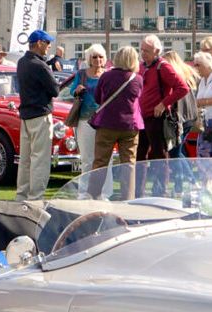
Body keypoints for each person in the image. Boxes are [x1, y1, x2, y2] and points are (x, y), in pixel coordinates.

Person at [89, 45, 143, 196]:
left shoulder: (106, 76)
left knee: (100, 162)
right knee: (129, 164)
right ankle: (128, 198)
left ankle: (92, 196)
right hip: (130, 126)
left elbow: (98, 98)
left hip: (106, 124)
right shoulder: (137, 79)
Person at [15, 29, 60, 200]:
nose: (49, 46)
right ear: (39, 43)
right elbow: (55, 90)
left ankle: (22, 196)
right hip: (40, 115)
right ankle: (36, 198)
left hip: (26, 115)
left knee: (25, 161)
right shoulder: (40, 65)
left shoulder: (21, 62)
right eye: (47, 43)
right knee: (40, 160)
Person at [137, 34, 187, 161]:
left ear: (157, 51)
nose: (143, 53)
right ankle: (138, 181)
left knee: (158, 154)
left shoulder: (163, 66)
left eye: (146, 51)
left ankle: (161, 181)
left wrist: (163, 104)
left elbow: (183, 88)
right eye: (142, 50)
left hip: (156, 118)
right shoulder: (142, 66)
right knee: (139, 154)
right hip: (142, 118)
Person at [66, 44, 107, 173]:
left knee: (106, 158)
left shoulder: (108, 74)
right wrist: (77, 90)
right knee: (87, 158)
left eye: (101, 57)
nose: (98, 60)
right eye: (94, 57)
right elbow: (71, 91)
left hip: (104, 121)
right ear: (89, 58)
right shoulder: (81, 74)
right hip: (85, 120)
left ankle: (106, 192)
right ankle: (84, 192)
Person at [161, 49, 200, 153]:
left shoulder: (174, 74)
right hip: (191, 116)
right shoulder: (187, 71)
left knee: (175, 152)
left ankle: (186, 170)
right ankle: (185, 169)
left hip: (180, 117)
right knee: (180, 150)